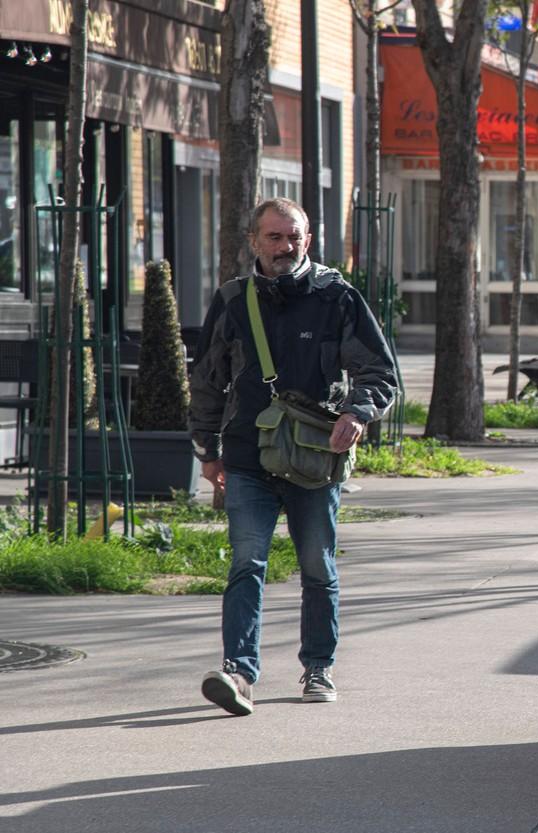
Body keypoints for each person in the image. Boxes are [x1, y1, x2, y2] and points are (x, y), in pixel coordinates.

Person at [190, 198, 398, 716]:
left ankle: (318, 667)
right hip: (245, 459)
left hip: (314, 459)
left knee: (317, 568)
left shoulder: (336, 297)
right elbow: (208, 380)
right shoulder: (233, 300)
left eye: (295, 237)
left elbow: (380, 371)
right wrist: (206, 450)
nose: (286, 247)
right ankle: (239, 673)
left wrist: (358, 412)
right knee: (246, 564)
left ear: (309, 238)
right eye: (275, 238)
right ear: (253, 241)